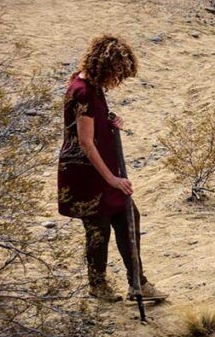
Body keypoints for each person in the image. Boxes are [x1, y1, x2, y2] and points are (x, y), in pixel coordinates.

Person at [57, 35, 167, 303]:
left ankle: (137, 283)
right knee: (98, 228)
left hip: (102, 167)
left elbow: (92, 123)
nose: (116, 78)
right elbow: (84, 142)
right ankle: (98, 285)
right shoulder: (82, 90)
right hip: (86, 172)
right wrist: (112, 179)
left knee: (128, 216)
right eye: (116, 72)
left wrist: (109, 120)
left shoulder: (92, 87)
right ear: (104, 66)